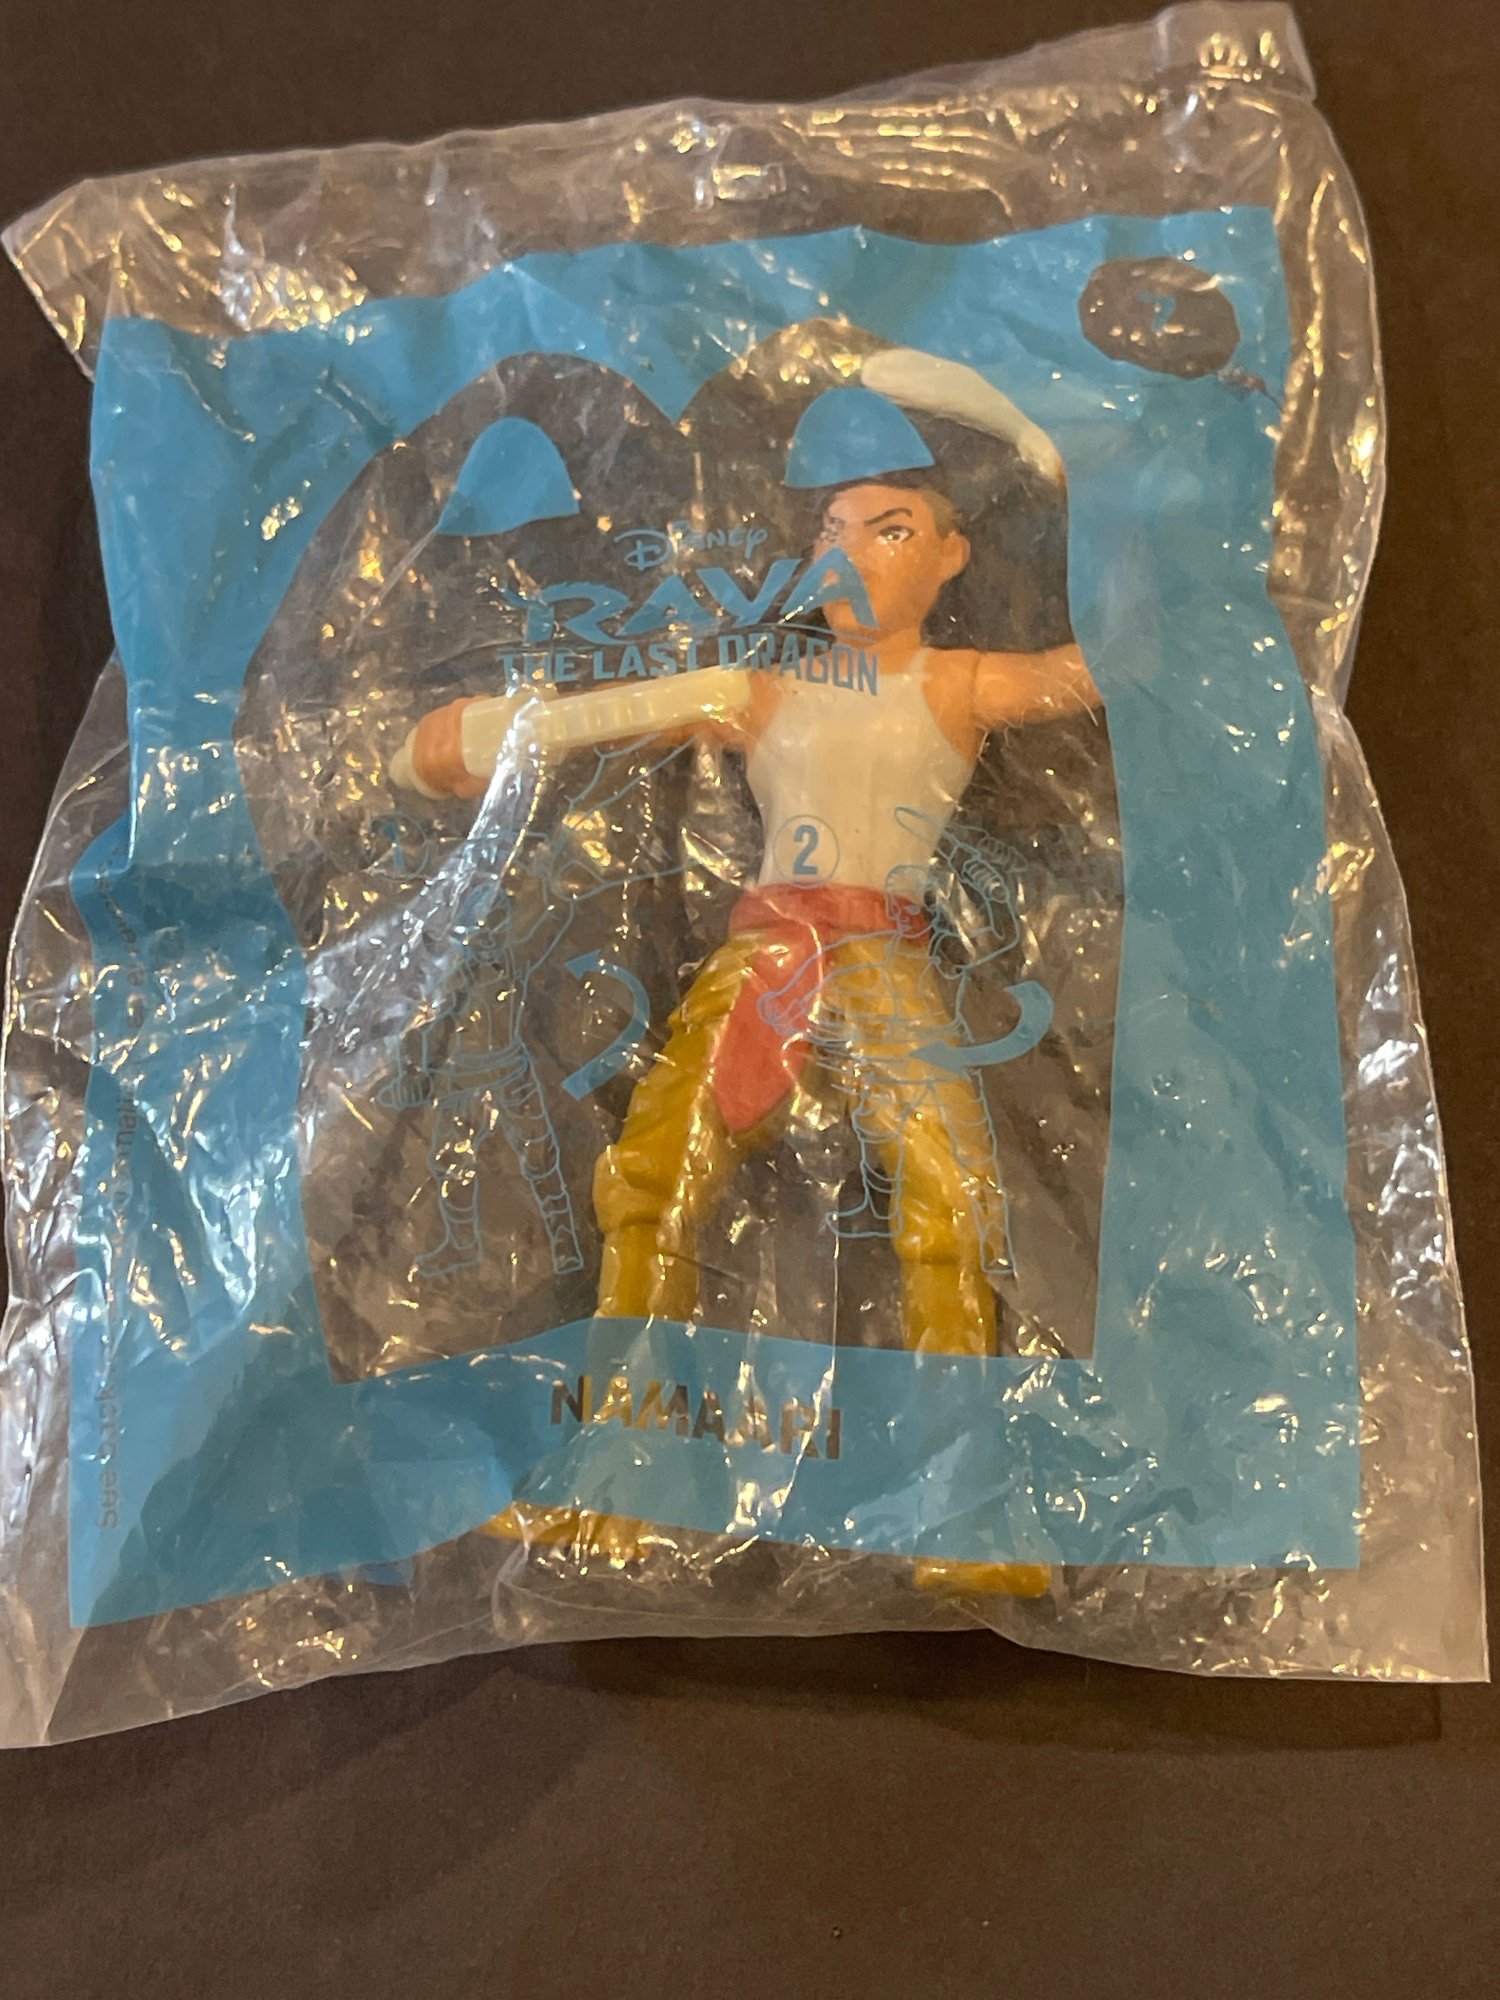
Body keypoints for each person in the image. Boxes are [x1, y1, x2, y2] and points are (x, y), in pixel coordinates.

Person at [393, 349, 1102, 1590]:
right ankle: (614, 1472)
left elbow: (1094, 671)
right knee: (653, 1180)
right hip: (766, 951)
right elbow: (598, 716)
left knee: (950, 1199)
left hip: (885, 955)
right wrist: (499, 735)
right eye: (834, 530)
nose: (854, 553)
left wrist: (1093, 487)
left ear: (951, 557)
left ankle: (971, 1504)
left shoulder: (957, 682)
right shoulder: (759, 686)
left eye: (892, 528)